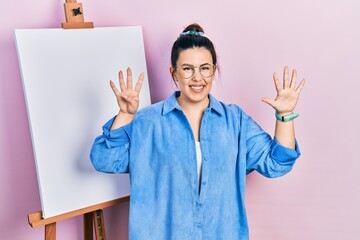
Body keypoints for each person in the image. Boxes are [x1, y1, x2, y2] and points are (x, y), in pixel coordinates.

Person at [90, 23, 305, 240]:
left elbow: (277, 163)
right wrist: (126, 115)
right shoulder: (149, 122)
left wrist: (285, 116)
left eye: (204, 68)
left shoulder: (235, 121)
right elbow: (105, 159)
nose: (197, 78)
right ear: (173, 73)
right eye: (187, 69)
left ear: (213, 70)